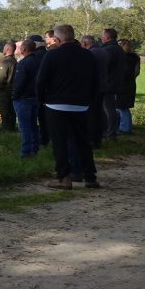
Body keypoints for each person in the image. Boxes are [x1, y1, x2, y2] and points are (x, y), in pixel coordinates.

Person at [37, 23, 99, 189]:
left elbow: (41, 81)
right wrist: (89, 100)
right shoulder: (88, 55)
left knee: (60, 143)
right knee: (83, 141)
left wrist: (43, 99)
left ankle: (63, 177)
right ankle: (90, 177)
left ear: (56, 39)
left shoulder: (52, 56)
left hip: (56, 105)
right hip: (81, 105)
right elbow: (95, 81)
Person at [11, 38, 43, 157]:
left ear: (24, 49)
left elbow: (19, 82)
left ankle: (26, 151)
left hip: (24, 98)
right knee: (33, 124)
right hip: (35, 97)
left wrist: (14, 96)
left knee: (24, 127)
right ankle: (35, 148)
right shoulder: (39, 61)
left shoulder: (24, 63)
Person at [80, 34, 108, 149]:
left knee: (91, 114)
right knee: (99, 112)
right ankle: (98, 138)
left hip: (92, 87)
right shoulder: (103, 51)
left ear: (85, 43)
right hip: (103, 85)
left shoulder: (90, 53)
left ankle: (92, 140)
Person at [98, 28, 125, 143]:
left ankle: (109, 133)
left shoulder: (108, 50)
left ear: (107, 37)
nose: (101, 38)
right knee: (110, 109)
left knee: (108, 110)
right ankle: (110, 132)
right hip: (115, 82)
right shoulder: (119, 49)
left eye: (102, 36)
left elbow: (104, 66)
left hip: (107, 83)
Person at [117, 38, 140, 133]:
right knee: (124, 107)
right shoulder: (136, 57)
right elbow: (137, 72)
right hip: (131, 84)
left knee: (121, 107)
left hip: (121, 84)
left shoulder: (120, 57)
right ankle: (126, 127)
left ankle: (125, 128)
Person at [0, 42, 17, 132]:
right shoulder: (13, 60)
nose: (3, 49)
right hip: (11, 87)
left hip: (4, 89)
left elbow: (1, 76)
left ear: (7, 49)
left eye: (4, 47)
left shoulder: (5, 61)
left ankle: (5, 129)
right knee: (11, 109)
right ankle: (11, 127)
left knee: (4, 109)